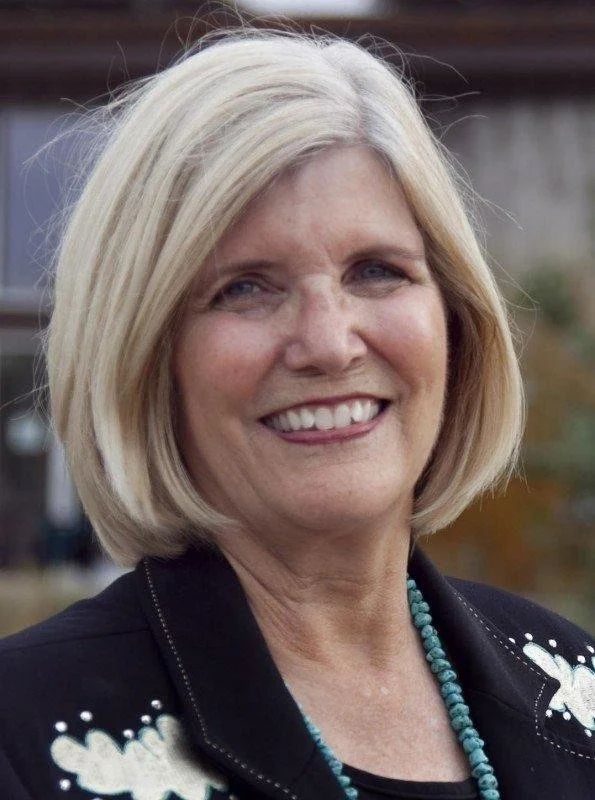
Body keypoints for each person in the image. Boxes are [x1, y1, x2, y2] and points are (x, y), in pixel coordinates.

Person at [0, 30, 593, 800]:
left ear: (454, 321)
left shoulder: (575, 690)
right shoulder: (23, 737)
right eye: (245, 288)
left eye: (376, 271)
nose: (328, 343)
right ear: (144, 355)